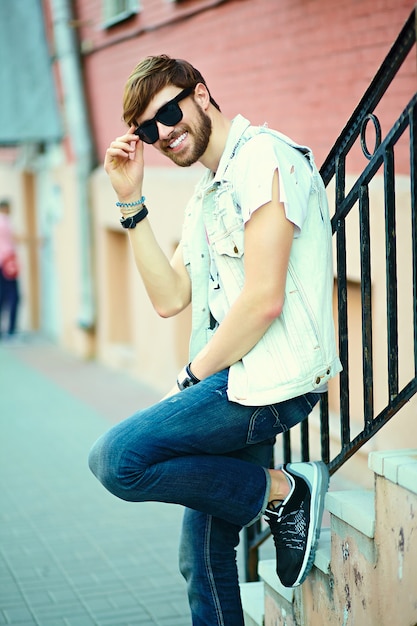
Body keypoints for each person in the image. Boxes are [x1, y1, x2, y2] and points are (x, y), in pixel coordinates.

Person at [89, 55, 342, 625]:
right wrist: (130, 199)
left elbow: (264, 300)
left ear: (202, 94)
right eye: (149, 131)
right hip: (236, 379)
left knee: (117, 459)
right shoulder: (208, 192)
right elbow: (168, 296)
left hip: (270, 382)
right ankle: (278, 491)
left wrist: (189, 380)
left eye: (169, 112)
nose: (164, 133)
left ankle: (282, 490)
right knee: (199, 557)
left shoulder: (264, 158)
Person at [0, 199, 20, 340]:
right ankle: (11, 330)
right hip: (7, 261)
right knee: (14, 296)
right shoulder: (5, 221)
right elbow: (15, 238)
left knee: (2, 296)